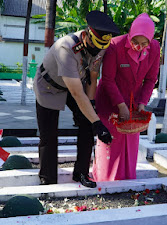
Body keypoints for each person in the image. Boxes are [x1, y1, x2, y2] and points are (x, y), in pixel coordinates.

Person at [33, 11, 119, 188]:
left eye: (100, 48)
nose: (96, 51)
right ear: (87, 34)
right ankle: (48, 179)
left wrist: (92, 104)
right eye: (94, 46)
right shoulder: (67, 47)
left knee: (87, 125)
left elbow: (93, 76)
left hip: (75, 85)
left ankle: (81, 173)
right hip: (49, 87)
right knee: (49, 134)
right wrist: (98, 122)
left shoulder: (100, 45)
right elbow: (77, 94)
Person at [92, 13, 160, 181]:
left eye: (144, 43)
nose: (139, 46)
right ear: (130, 34)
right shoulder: (115, 45)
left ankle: (127, 178)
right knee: (111, 141)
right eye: (135, 41)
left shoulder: (155, 48)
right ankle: (105, 178)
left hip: (133, 103)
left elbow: (151, 79)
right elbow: (107, 79)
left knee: (130, 140)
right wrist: (120, 105)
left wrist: (142, 102)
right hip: (110, 100)